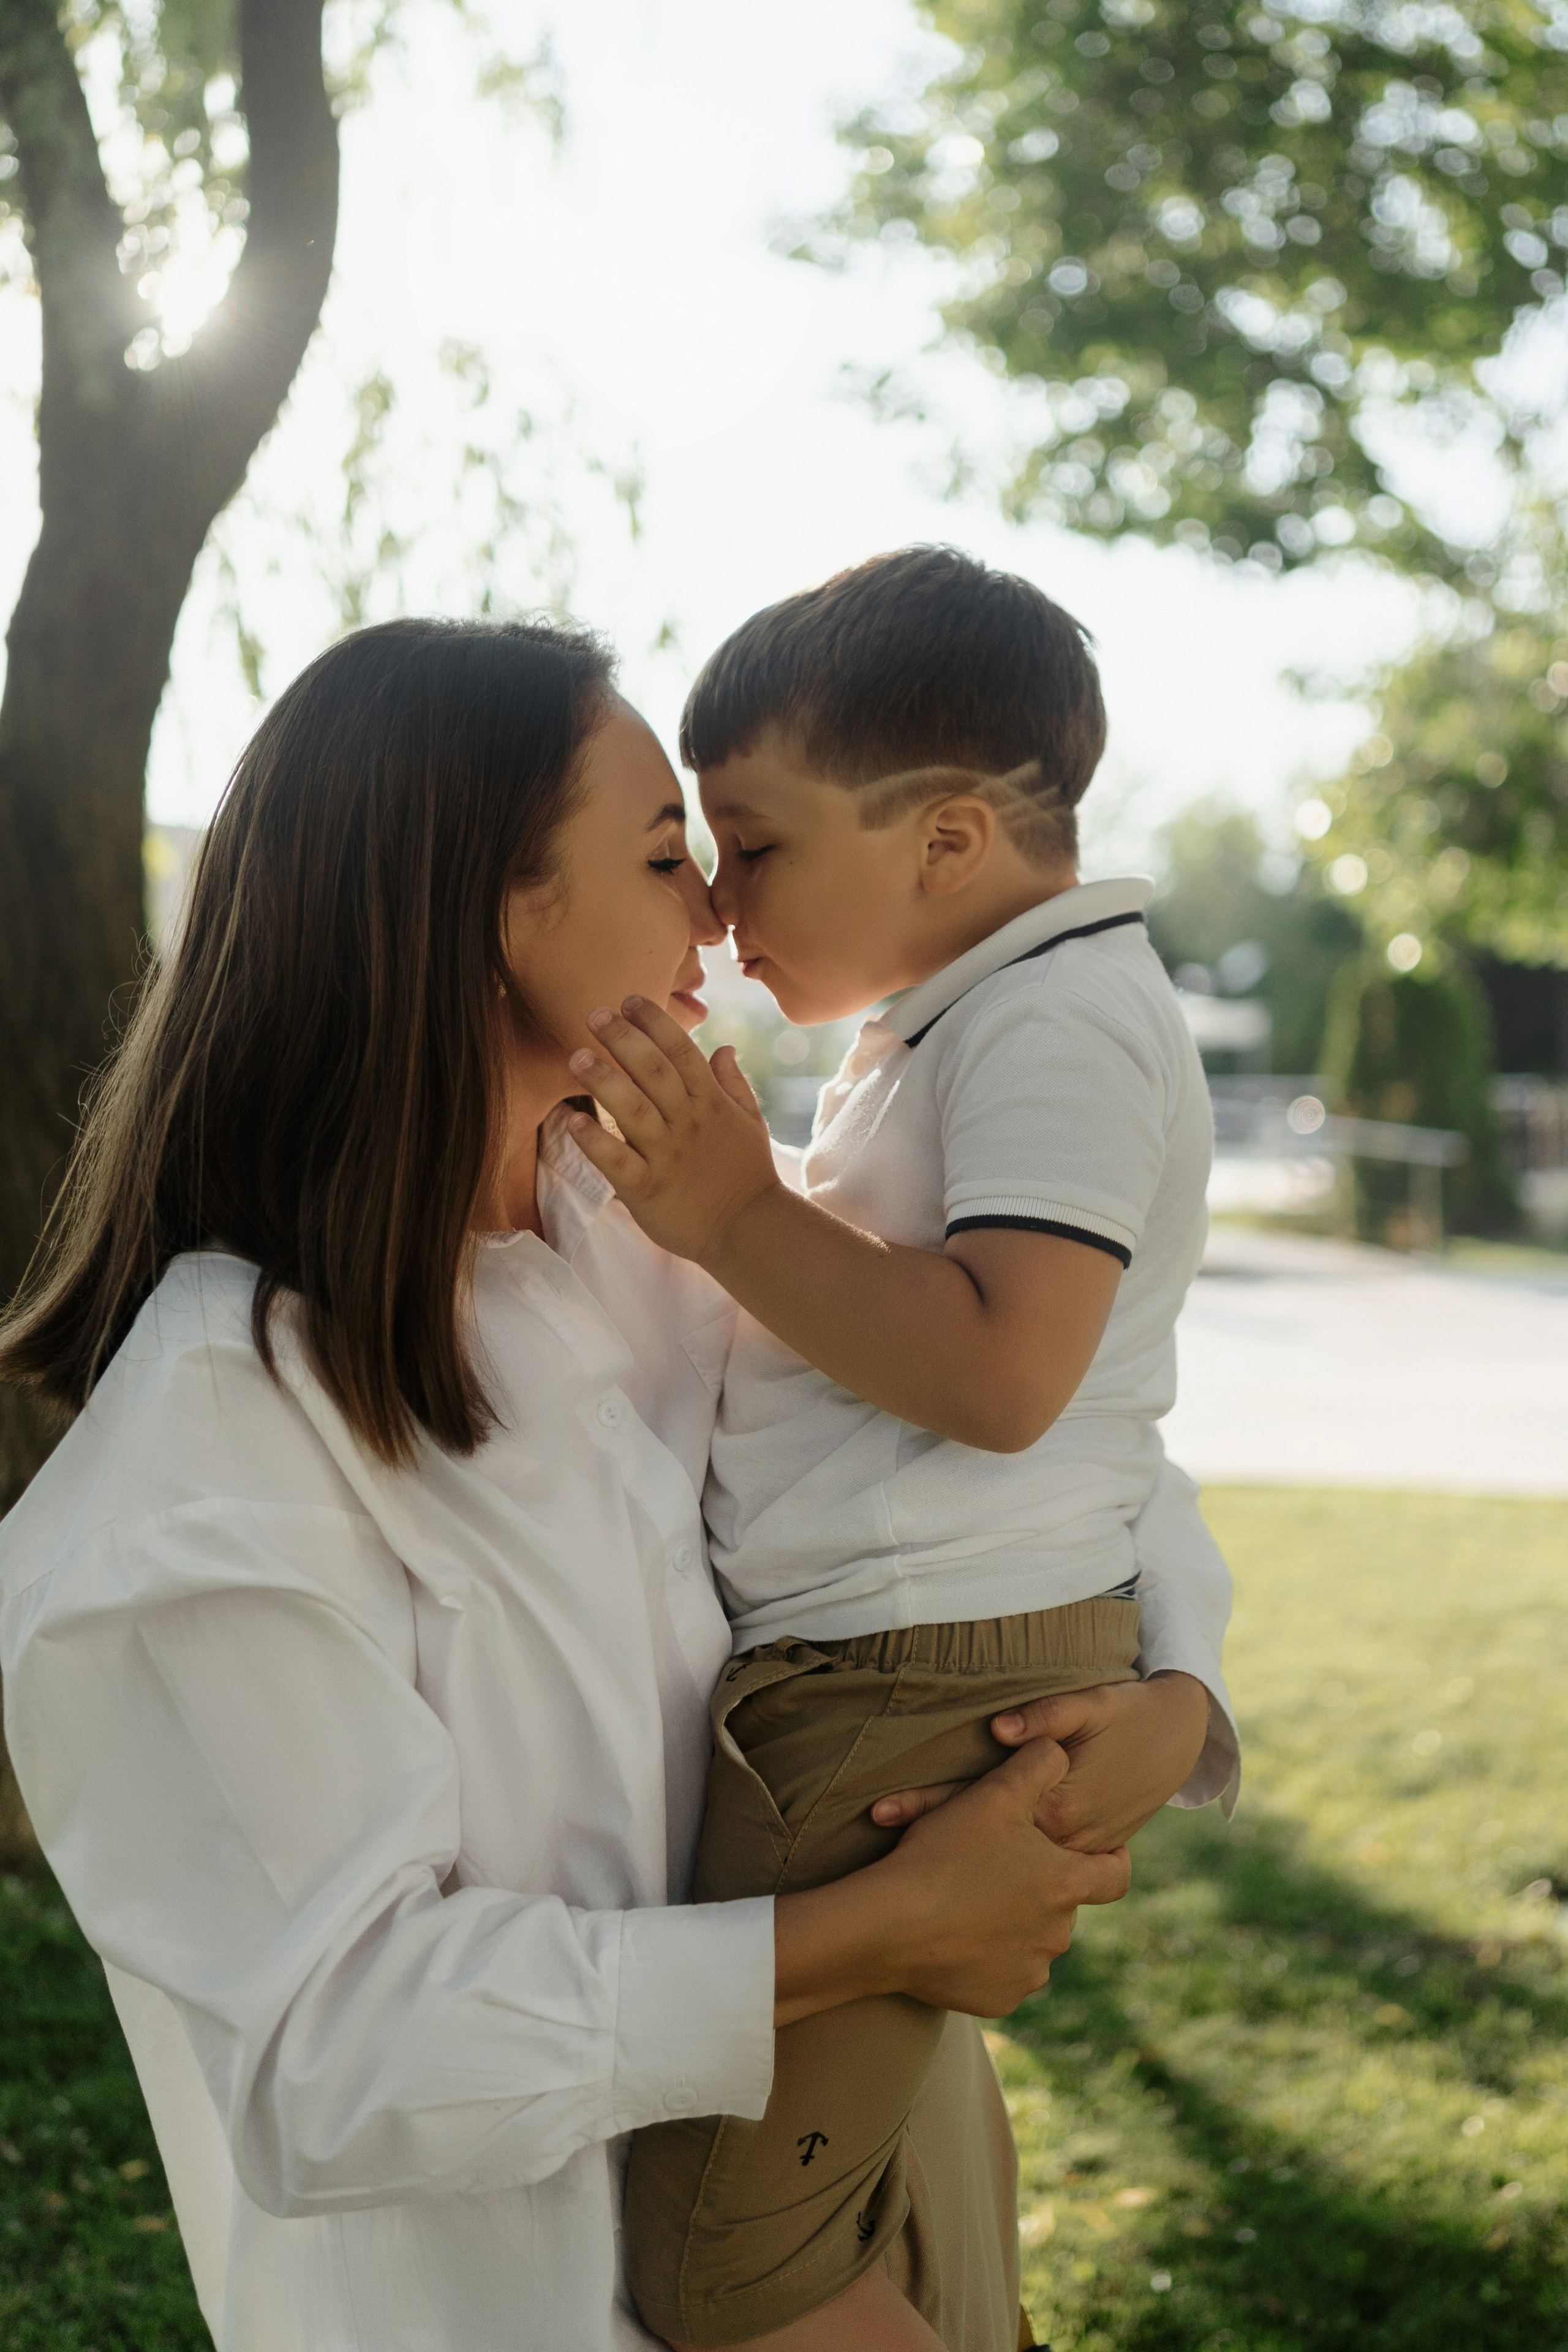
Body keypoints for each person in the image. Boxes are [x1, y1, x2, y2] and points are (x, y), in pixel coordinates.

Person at [0, 617, 1130, 2352]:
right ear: (484, 908)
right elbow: (334, 2062)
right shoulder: (211, 1447)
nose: (716, 919)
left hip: (876, 2154)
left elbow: (1014, 1438)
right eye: (672, 856)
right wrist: (870, 1931)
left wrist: (1167, 1708)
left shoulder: (651, 1248)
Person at [562, 548, 1239, 2352]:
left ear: (947, 841)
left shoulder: (1060, 1019)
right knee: (862, 2201)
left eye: (755, 842)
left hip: (906, 1680)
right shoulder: (957, 1019)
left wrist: (728, 1217)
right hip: (904, 1654)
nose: (717, 896)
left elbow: (1011, 1369)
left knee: (731, 2264)